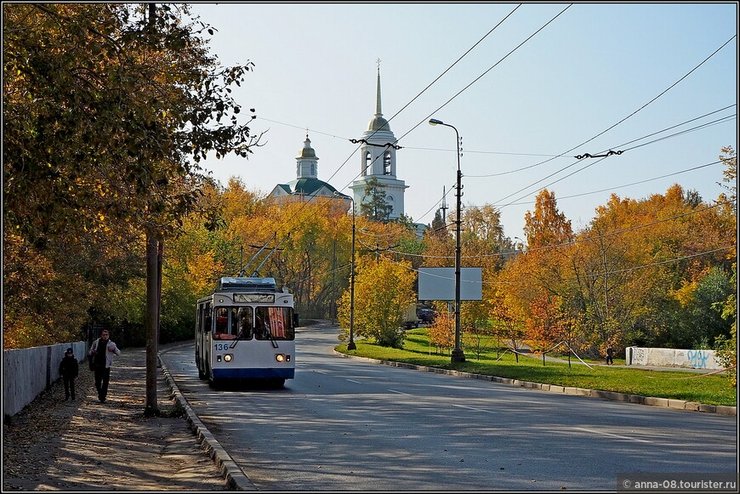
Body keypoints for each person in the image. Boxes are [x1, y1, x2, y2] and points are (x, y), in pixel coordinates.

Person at [88, 329, 121, 403]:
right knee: (97, 382)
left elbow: (118, 353)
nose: (105, 336)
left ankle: (103, 397)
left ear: (108, 335)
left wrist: (113, 350)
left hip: (106, 365)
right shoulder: (96, 342)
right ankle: (100, 394)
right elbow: (90, 351)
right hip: (97, 365)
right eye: (104, 335)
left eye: (106, 335)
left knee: (105, 382)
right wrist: (92, 352)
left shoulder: (111, 344)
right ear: (101, 335)